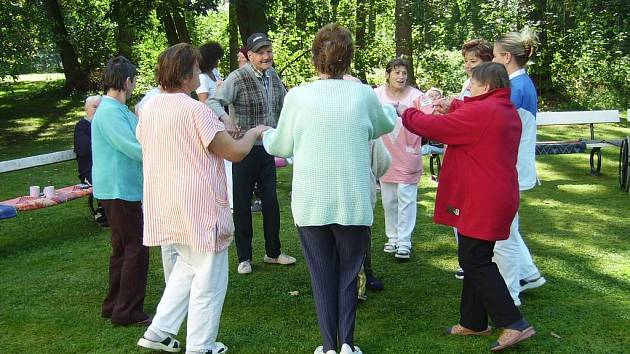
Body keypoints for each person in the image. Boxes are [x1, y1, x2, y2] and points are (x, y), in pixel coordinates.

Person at [263, 23, 396, 354]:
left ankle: (328, 346)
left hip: (311, 202)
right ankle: (347, 344)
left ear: (314, 58)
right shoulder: (364, 94)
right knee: (349, 275)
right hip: (353, 200)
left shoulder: (297, 96)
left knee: (322, 277)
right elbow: (385, 124)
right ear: (349, 58)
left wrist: (263, 134)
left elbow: (279, 145)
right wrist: (391, 107)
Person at [136, 43, 268, 354]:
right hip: (199, 205)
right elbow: (234, 152)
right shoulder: (195, 109)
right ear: (185, 75)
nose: (201, 73)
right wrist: (255, 132)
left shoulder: (151, 107)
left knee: (187, 265)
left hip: (165, 202)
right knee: (210, 277)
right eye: (196, 69)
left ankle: (159, 330)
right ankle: (201, 345)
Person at [398, 62, 535, 351]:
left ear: (486, 86)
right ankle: (473, 321)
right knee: (475, 255)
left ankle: (513, 323)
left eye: (472, 82)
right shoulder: (501, 107)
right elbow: (470, 114)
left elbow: (436, 127)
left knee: (475, 259)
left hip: (484, 198)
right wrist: (454, 104)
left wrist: (406, 112)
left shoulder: (484, 112)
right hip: (493, 195)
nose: (468, 86)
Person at [208, 32, 296, 275]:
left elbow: (286, 104)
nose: (266, 56)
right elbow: (213, 102)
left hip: (268, 147)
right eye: (260, 52)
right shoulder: (237, 77)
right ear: (249, 55)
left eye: (268, 51)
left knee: (271, 202)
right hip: (244, 149)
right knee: (242, 203)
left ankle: (273, 252)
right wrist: (225, 118)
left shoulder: (273, 76)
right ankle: (244, 257)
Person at [91, 56, 150, 326]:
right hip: (119, 190)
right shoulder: (109, 112)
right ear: (127, 81)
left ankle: (113, 305)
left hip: (122, 188)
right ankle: (127, 311)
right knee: (135, 248)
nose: (134, 84)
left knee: (122, 248)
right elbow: (133, 147)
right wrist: (164, 155)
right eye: (134, 80)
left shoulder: (117, 109)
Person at [492, 27, 546, 303]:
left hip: (511, 167)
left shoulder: (517, 88)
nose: (492, 61)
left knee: (504, 233)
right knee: (508, 228)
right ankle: (528, 273)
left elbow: (498, 126)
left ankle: (511, 292)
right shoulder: (521, 84)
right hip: (514, 166)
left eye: (494, 56)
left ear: (507, 58)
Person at [452, 38, 494, 279]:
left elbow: (469, 120)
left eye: (474, 61)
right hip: (467, 161)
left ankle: (473, 263)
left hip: (477, 163)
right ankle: (468, 261)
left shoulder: (488, 87)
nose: (468, 66)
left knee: (477, 222)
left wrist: (410, 115)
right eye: (466, 61)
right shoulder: (470, 83)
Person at [373, 57, 423, 259]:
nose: (401, 76)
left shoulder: (416, 96)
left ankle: (404, 241)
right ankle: (392, 238)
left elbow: (428, 119)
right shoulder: (376, 94)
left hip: (409, 153)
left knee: (406, 199)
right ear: (388, 74)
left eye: (404, 73)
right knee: (389, 200)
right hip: (385, 155)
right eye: (397, 72)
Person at [73, 95, 107, 226]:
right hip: (89, 169)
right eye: (94, 107)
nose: (97, 110)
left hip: (104, 166)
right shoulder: (82, 126)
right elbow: (83, 149)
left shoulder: (105, 125)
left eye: (100, 107)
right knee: (104, 178)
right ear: (86, 108)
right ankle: (103, 212)